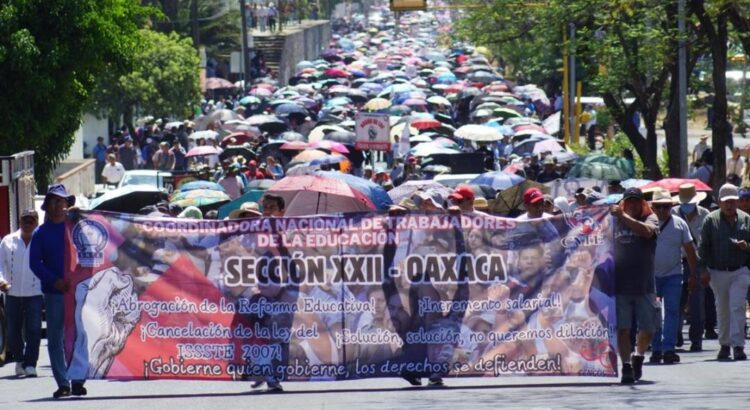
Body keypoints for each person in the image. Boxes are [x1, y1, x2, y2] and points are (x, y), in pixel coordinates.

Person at [29, 184, 87, 398]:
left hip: (77, 292)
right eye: (53, 201)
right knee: (56, 339)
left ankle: (78, 380)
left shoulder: (78, 227)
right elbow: (35, 263)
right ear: (47, 206)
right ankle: (63, 382)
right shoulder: (40, 233)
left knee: (79, 335)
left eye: (61, 201)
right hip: (54, 293)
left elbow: (91, 252)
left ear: (66, 204)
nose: (57, 205)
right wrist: (54, 281)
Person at [610, 188, 659, 383]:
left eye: (636, 201)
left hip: (644, 285)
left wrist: (623, 216)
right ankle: (626, 366)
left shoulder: (650, 218)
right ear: (623, 202)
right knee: (623, 328)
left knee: (648, 329)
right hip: (620, 285)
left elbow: (647, 233)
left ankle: (638, 355)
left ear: (642, 203)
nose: (632, 204)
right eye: (628, 201)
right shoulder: (613, 221)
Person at [698, 183, 750, 361]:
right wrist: (702, 270)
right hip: (717, 272)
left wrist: (746, 247)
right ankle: (724, 344)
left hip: (740, 271)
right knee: (722, 308)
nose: (729, 205)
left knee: (737, 306)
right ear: (720, 202)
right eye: (726, 201)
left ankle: (738, 346)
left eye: (733, 201)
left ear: (737, 202)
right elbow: (703, 247)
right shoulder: (710, 221)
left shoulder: (746, 219)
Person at [649, 189, 698, 365]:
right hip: (651, 277)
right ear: (652, 207)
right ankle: (655, 349)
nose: (662, 210)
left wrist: (694, 274)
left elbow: (690, 250)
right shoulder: (646, 224)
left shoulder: (679, 224)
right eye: (658, 206)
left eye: (666, 206)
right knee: (654, 313)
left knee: (671, 312)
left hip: (673, 275)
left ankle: (668, 349)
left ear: (672, 206)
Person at [0, 209, 42, 378]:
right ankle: (19, 360)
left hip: (35, 292)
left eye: (32, 220)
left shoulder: (40, 241)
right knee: (13, 330)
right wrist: (1, 280)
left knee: (34, 329)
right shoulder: (8, 241)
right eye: (25, 220)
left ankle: (31, 363)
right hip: (12, 292)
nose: (28, 223)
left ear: (36, 222)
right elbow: (0, 265)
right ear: (19, 221)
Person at [671, 184, 711, 352]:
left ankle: (696, 339)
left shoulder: (706, 215)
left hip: (698, 263)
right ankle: (676, 334)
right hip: (676, 263)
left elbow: (709, 242)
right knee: (676, 302)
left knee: (697, 303)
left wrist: (706, 269)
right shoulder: (672, 213)